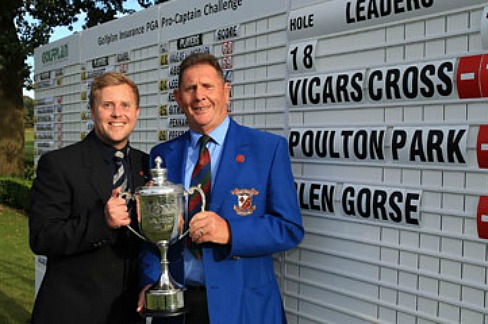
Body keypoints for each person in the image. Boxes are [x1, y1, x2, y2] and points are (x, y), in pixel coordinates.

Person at [137, 53, 304, 323]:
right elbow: (152, 232)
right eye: (190, 88)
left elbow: (289, 228)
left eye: (208, 86)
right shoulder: (163, 155)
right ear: (179, 99)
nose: (199, 96)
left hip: (243, 307)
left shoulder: (267, 149)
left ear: (226, 92)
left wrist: (229, 232)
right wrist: (149, 280)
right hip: (177, 308)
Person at [29, 72, 149, 324]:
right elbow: (42, 237)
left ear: (136, 112)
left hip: (129, 315)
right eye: (108, 105)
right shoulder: (60, 164)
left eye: (125, 105)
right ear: (93, 113)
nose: (117, 113)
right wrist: (101, 222)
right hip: (72, 313)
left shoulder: (146, 166)